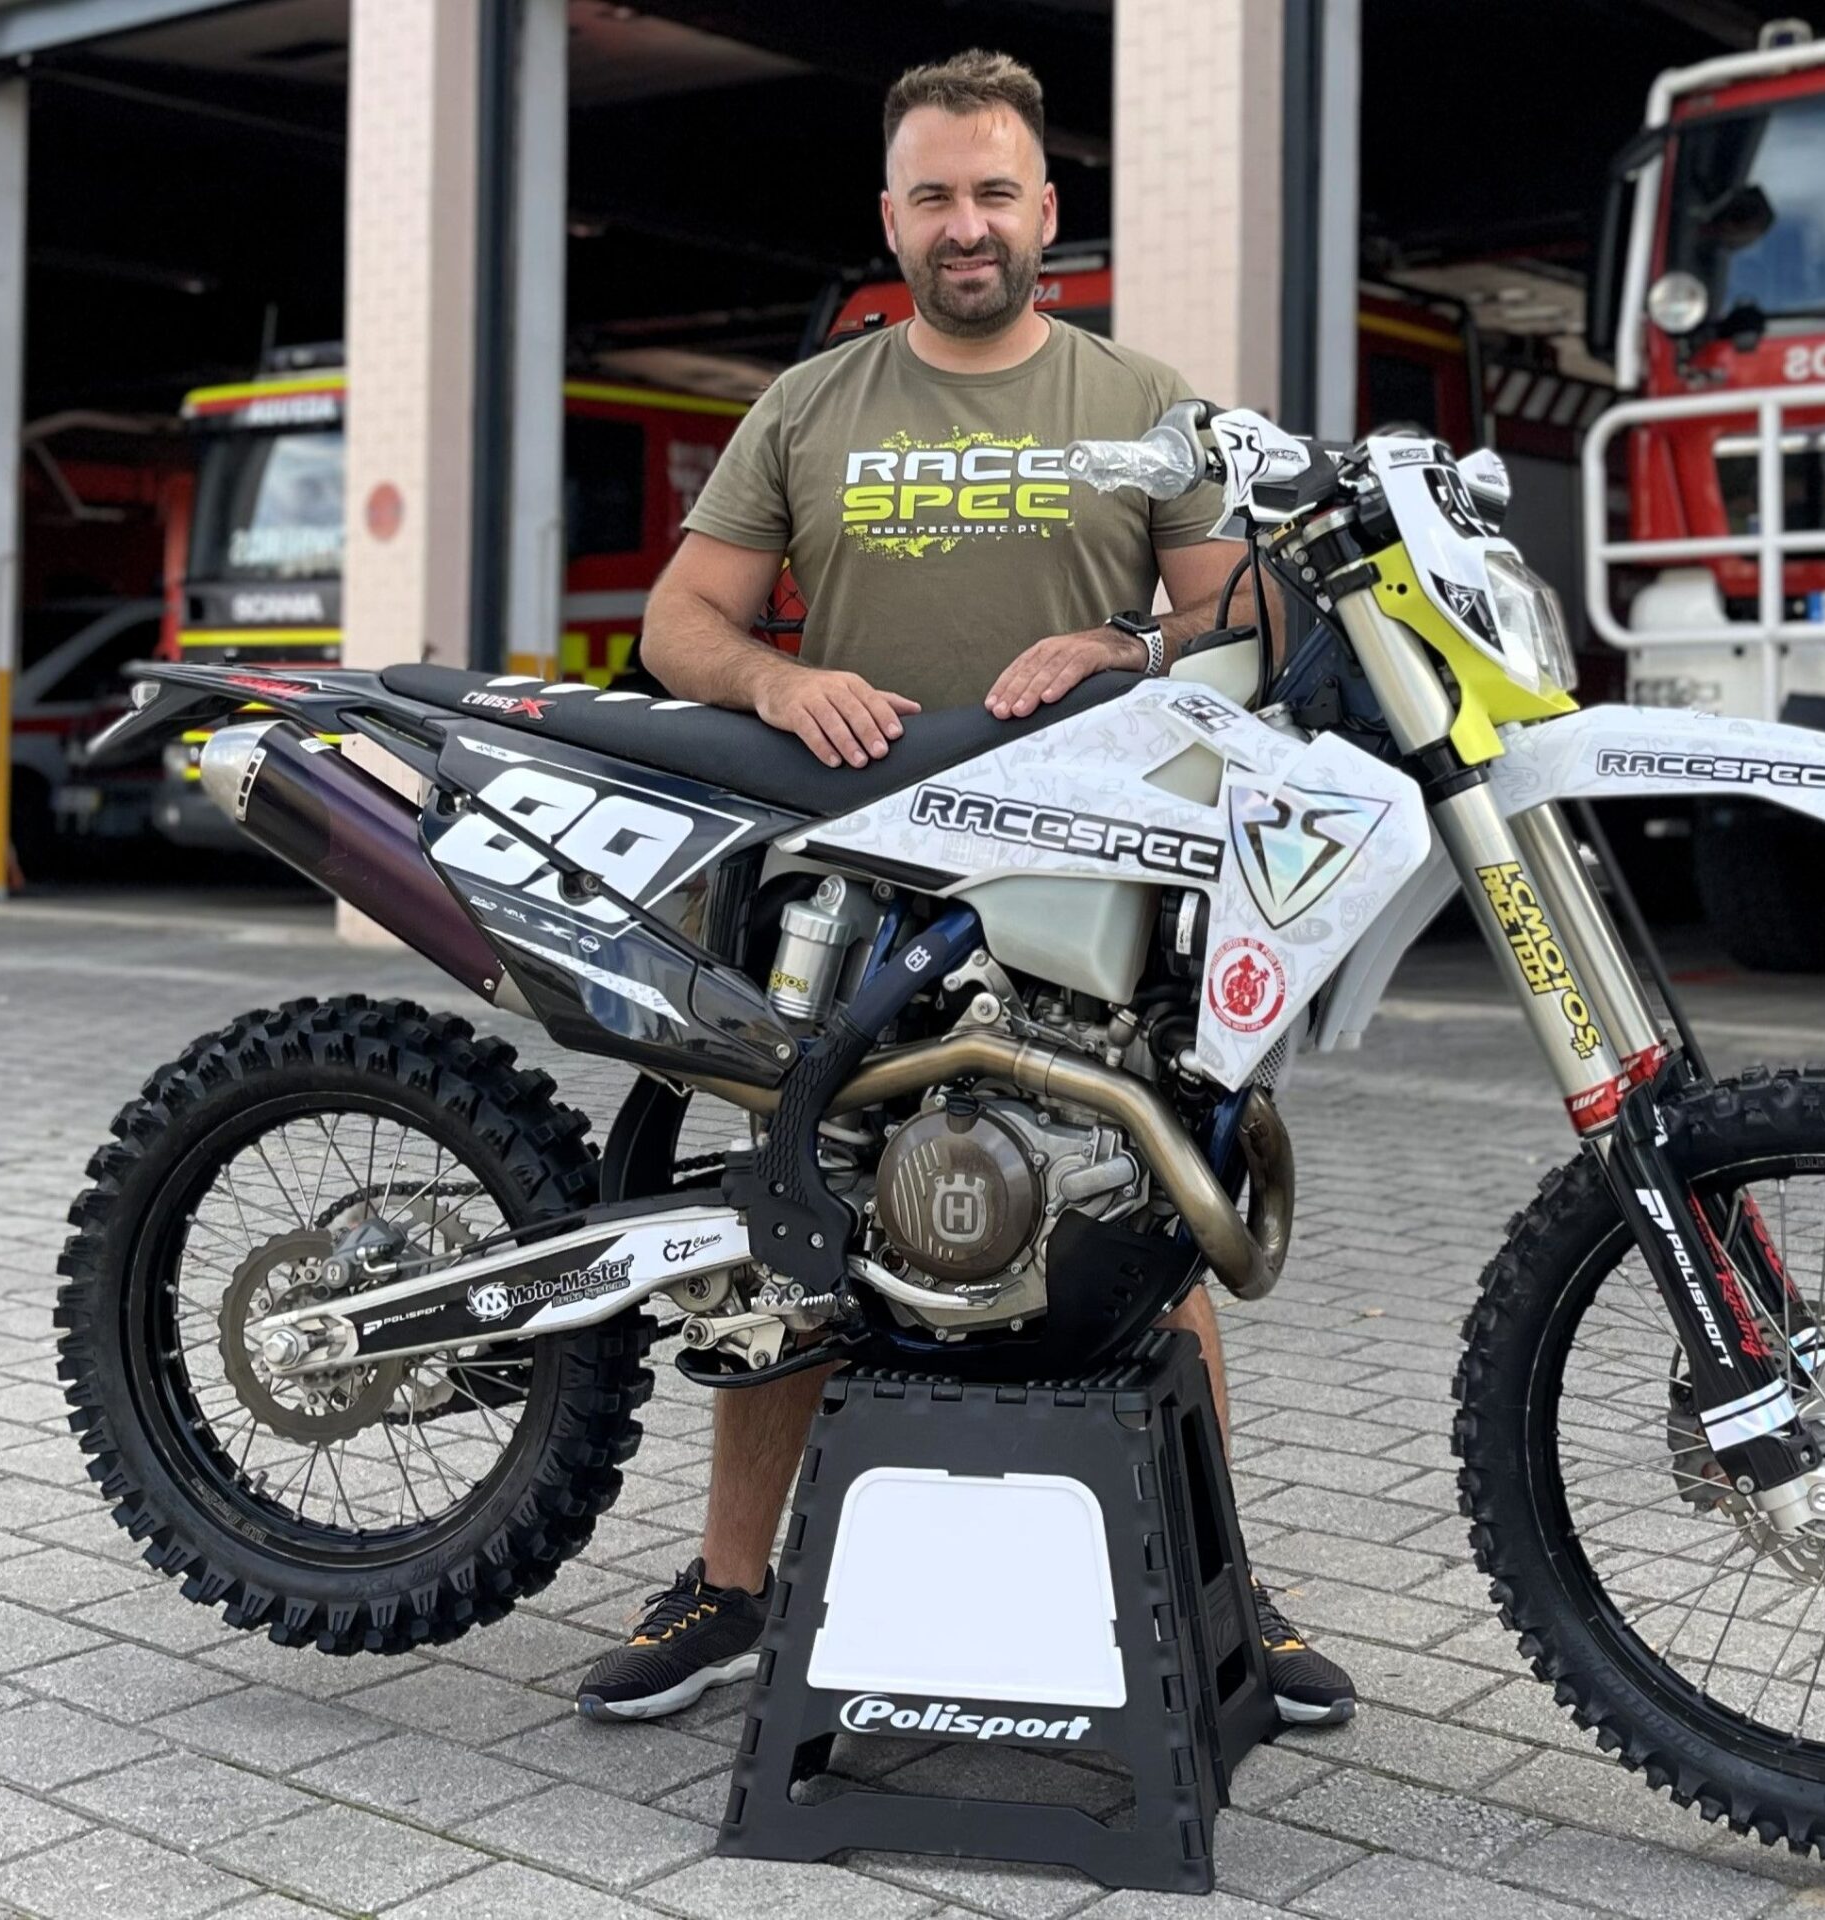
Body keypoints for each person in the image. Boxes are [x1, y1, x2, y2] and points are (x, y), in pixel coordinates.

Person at [574, 48, 1354, 1732]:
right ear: (892, 217)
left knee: (1152, 1212)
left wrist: (1124, 645)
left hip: (1096, 879)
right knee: (794, 1219)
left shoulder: (1141, 399)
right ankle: (729, 1589)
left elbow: (1250, 617)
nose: (966, 224)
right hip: (847, 876)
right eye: (933, 195)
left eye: (995, 191)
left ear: (1047, 210)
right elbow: (678, 625)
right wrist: (777, 681)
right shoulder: (811, 403)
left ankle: (1226, 1593)